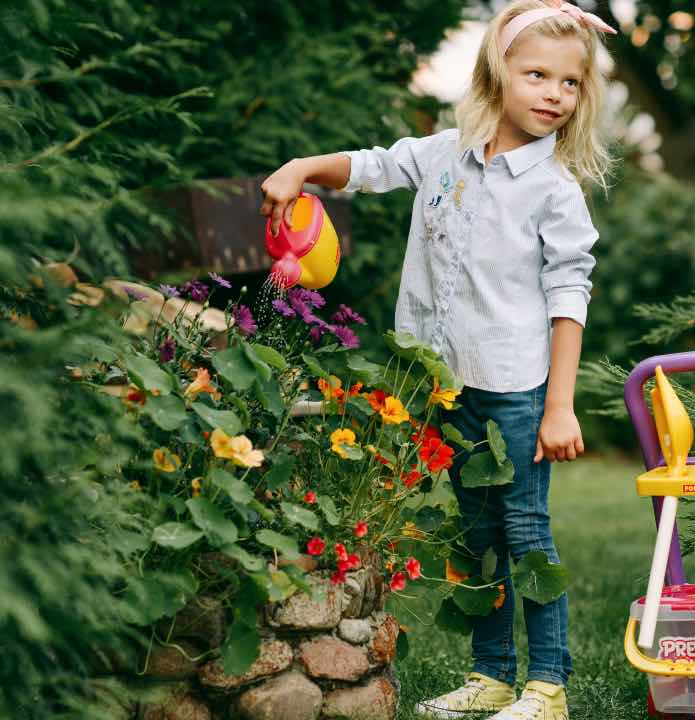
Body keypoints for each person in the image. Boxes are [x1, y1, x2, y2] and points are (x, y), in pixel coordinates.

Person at [259, 2, 615, 718]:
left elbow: (568, 297)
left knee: (525, 533)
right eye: (537, 74)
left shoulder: (555, 191)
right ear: (498, 73)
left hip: (515, 389)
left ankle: (548, 687)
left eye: (570, 83)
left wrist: (559, 405)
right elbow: (370, 167)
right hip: (445, 387)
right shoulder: (444, 154)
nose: (553, 93)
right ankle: (492, 674)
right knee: (474, 536)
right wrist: (301, 167)